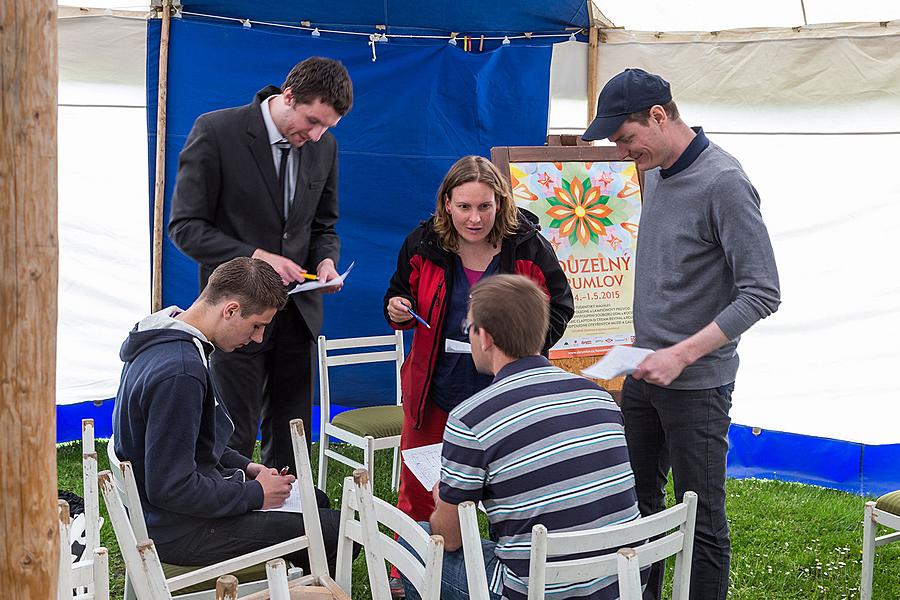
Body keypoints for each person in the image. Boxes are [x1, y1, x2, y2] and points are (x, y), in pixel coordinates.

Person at [582, 68, 781, 600]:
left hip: (698, 385)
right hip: (642, 373)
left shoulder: (725, 183)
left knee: (703, 520)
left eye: (625, 138)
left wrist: (681, 354)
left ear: (659, 116)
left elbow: (762, 292)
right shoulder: (654, 171)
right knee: (635, 503)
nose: (622, 152)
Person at [401, 274, 640, 600]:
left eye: (468, 328)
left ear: (485, 337)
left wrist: (443, 498)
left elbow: (451, 539)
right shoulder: (597, 396)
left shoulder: (471, 418)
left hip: (538, 589)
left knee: (415, 540)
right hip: (621, 582)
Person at [168, 56, 353, 473]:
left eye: (327, 126)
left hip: (299, 316)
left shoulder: (325, 145)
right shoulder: (216, 132)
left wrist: (326, 261)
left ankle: (295, 527)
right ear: (287, 97)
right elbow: (184, 228)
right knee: (232, 431)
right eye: (311, 121)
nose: (317, 134)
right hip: (235, 316)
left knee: (294, 435)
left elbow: (325, 225)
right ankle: (233, 523)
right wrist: (257, 257)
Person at [112, 257, 353, 573]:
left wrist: (249, 468)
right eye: (257, 325)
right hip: (179, 533)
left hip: (167, 517)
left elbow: (194, 441)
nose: (258, 339)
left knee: (315, 499)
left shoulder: (163, 337)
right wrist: (255, 494)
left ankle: (294, 582)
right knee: (339, 532)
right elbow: (171, 487)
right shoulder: (181, 372)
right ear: (230, 310)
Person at [384, 155, 575, 525]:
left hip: (505, 391)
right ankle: (407, 574)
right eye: (464, 207)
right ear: (446, 205)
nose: (475, 218)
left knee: (512, 485)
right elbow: (398, 292)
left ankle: (505, 561)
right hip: (435, 388)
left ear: (500, 203)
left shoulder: (527, 247)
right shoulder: (423, 244)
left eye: (485, 206)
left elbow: (560, 307)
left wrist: (523, 346)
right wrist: (397, 308)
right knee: (423, 487)